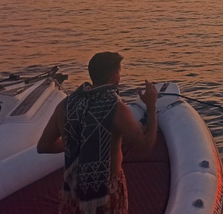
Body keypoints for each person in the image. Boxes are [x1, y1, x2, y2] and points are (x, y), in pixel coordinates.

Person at [37, 52, 158, 214]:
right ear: (115, 76)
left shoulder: (65, 105)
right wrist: (151, 106)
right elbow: (144, 146)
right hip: (106, 193)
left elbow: (44, 146)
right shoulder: (116, 107)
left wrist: (78, 144)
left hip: (72, 191)